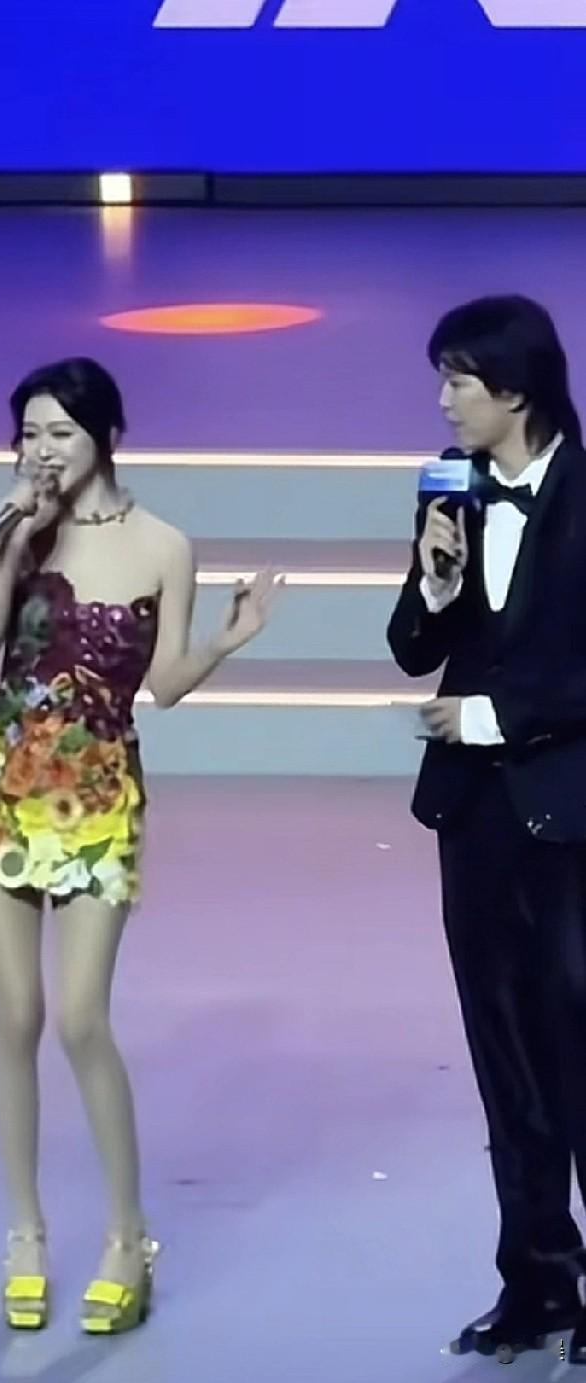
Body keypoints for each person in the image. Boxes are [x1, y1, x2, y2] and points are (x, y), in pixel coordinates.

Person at [0, 356, 277, 1334]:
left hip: (94, 792)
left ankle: (128, 1237)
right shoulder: (26, 531)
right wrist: (14, 540)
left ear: (107, 436)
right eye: (29, 435)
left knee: (82, 1016)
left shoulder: (165, 545)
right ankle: (25, 1234)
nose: (42, 451)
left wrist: (227, 639)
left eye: (60, 433)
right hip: (5, 783)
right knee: (15, 1012)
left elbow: (162, 683)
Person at [387, 296, 586, 1364]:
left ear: (513, 388)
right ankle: (538, 1282)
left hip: (570, 816)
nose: (443, 401)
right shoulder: (452, 492)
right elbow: (413, 644)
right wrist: (436, 580)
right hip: (474, 819)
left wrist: (494, 716)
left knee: (579, 1048)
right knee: (503, 1057)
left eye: (457, 381)